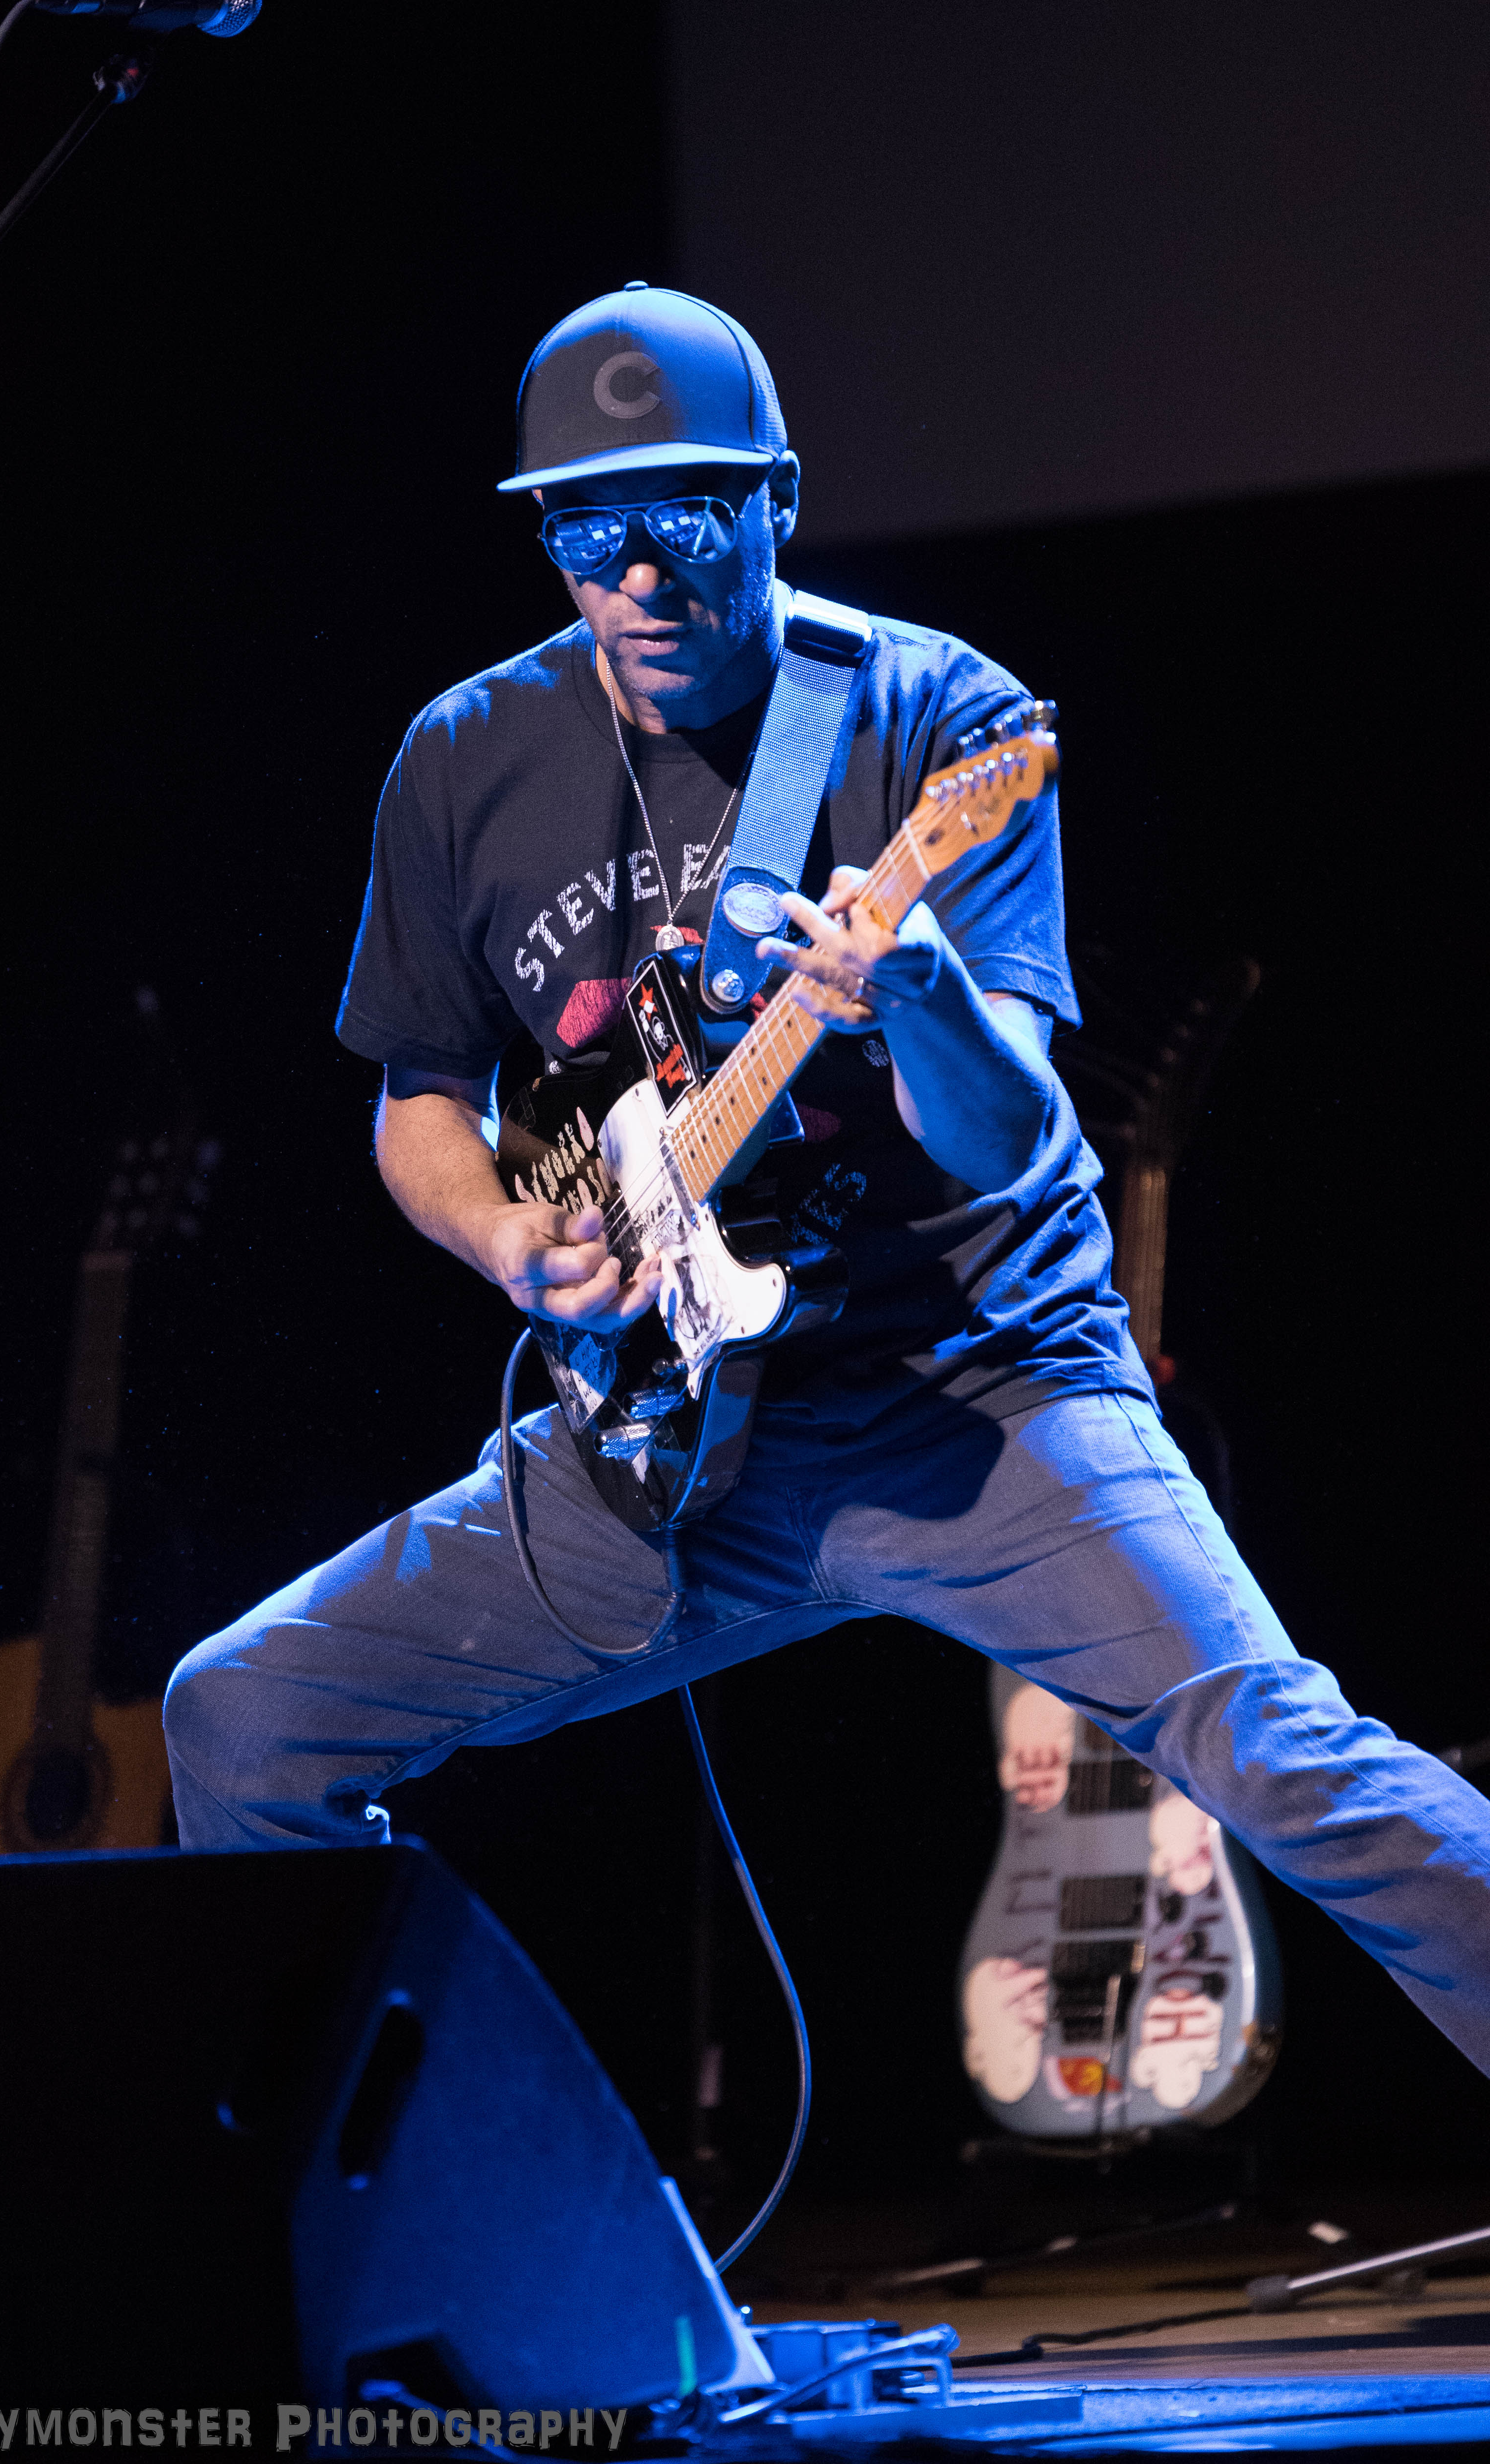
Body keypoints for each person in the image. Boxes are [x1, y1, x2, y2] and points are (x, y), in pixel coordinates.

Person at [164, 284, 1490, 2073]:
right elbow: (421, 1098)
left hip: (979, 1398)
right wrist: (505, 1240)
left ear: (780, 498)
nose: (640, 576)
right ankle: (376, 2204)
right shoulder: (464, 756)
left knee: (1288, 1759)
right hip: (665, 1437)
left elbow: (1012, 1139)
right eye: (588, 530)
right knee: (242, 1723)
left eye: (686, 516)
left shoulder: (937, 719)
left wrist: (918, 989)